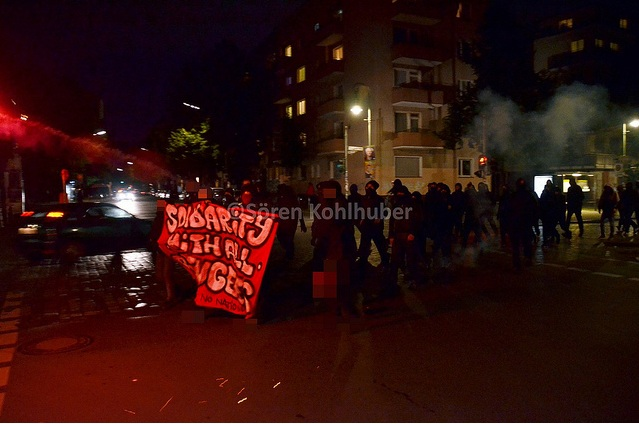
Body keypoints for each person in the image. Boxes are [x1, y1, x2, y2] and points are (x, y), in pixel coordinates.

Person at [310, 180, 359, 316]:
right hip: (326, 246)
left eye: (324, 191)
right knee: (325, 275)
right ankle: (329, 304)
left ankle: (344, 305)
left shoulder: (340, 204)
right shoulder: (323, 204)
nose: (321, 193)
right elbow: (318, 222)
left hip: (339, 246)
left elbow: (337, 223)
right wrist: (315, 236)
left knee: (341, 277)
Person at [387, 185, 419, 293]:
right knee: (395, 260)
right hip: (397, 236)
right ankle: (393, 282)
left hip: (408, 235)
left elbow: (416, 220)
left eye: (401, 193)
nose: (399, 195)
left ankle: (412, 280)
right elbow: (392, 221)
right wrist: (391, 235)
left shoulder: (412, 205)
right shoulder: (396, 206)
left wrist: (412, 233)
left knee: (410, 259)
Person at [148, 199, 177, 307]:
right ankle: (170, 292)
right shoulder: (159, 218)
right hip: (160, 249)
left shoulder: (170, 218)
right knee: (161, 274)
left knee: (167, 273)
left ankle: (171, 296)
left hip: (168, 249)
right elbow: (154, 232)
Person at [357, 179, 390, 268]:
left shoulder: (379, 199)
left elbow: (384, 211)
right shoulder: (363, 199)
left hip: (376, 227)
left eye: (371, 187)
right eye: (367, 186)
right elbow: (360, 210)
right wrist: (361, 219)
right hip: (366, 226)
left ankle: (385, 261)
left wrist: (379, 217)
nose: (368, 188)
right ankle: (363, 261)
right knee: (364, 244)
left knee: (380, 245)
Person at [507, 178, 537, 270]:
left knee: (516, 245)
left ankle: (517, 263)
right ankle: (527, 258)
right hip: (525, 224)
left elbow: (508, 210)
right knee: (526, 243)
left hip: (516, 224)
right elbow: (534, 210)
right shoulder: (529, 196)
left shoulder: (513, 196)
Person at [275, 184, 307, 259]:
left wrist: (302, 223)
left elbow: (298, 210)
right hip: (282, 222)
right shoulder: (280, 198)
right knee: (281, 236)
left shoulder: (291, 199)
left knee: (288, 238)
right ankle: (289, 251)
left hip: (290, 222)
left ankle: (290, 253)